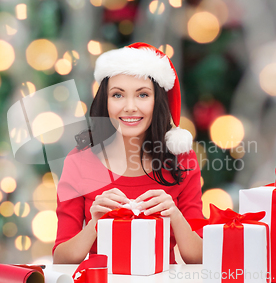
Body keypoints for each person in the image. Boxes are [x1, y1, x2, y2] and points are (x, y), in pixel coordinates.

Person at [52, 42, 204, 264]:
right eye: (118, 95)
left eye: (142, 95)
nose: (130, 107)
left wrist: (174, 215)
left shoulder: (183, 159)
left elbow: (199, 257)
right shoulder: (79, 161)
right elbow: (61, 258)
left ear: (157, 101)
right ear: (105, 101)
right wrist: (96, 222)